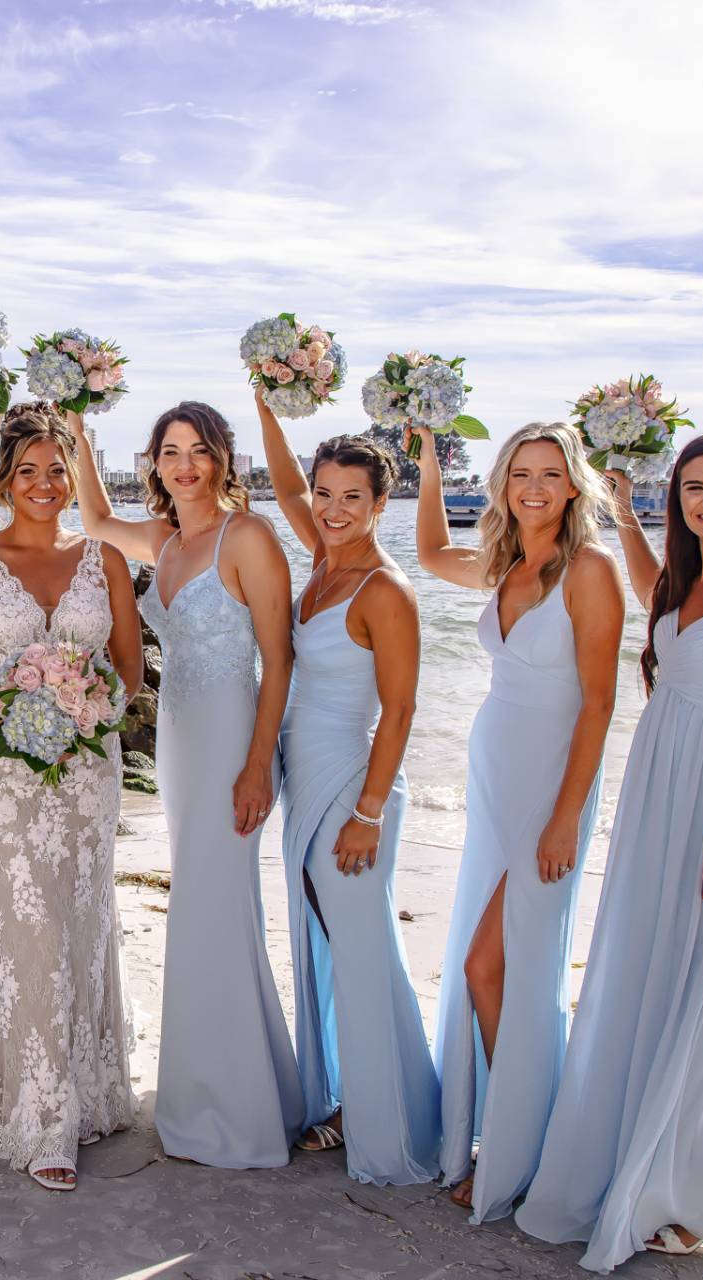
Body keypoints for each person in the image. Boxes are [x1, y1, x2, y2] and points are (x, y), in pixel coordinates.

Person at [517, 432, 703, 1269]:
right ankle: (635, 1171)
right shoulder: (692, 583)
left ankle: (692, 1196)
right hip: (661, 807)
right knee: (649, 985)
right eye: (694, 487)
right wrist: (624, 508)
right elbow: (653, 595)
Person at [69, 400, 302, 1169]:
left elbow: (280, 658)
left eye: (199, 450)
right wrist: (76, 430)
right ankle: (223, 1086)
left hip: (233, 738)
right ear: (156, 463)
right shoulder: (164, 540)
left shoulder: (250, 537)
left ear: (224, 458)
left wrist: (258, 762)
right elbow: (95, 517)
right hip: (177, 740)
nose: (185, 465)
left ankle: (236, 1108)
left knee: (217, 903)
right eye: (170, 452)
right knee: (200, 905)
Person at [411, 421, 625, 1220]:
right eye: (519, 474)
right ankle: (513, 1140)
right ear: (502, 485)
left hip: (549, 793)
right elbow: (431, 552)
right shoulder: (502, 565)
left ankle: (521, 1149)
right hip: (495, 783)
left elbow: (600, 704)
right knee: (502, 969)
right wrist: (430, 463)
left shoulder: (591, 572)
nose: (533, 488)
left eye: (549, 474)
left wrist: (567, 818)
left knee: (488, 968)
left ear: (575, 485)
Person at [0, 404, 144, 1191]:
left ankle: (88, 1092)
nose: (46, 484)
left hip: (89, 772)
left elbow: (129, 665)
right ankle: (39, 1115)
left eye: (59, 470)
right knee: (21, 923)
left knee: (81, 920)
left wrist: (88, 708)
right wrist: (10, 713)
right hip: (2, 772)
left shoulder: (107, 560)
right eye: (30, 471)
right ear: (5, 480)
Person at [259, 403, 441, 1185]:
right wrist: (266, 404)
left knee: (363, 949)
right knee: (327, 943)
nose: (332, 510)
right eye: (323, 495)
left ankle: (395, 1119)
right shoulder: (322, 563)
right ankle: (342, 1096)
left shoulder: (383, 589)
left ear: (379, 505)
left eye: (351, 498)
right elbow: (285, 484)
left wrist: (369, 813)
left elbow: (400, 711)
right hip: (307, 775)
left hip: (353, 787)